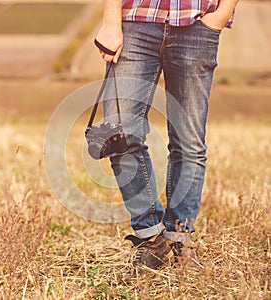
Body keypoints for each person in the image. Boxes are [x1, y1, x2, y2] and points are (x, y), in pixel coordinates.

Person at [94, 0, 239, 273]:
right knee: (119, 135)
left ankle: (179, 238)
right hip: (135, 21)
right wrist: (111, 23)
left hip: (197, 25)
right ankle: (151, 237)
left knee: (189, 143)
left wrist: (222, 14)